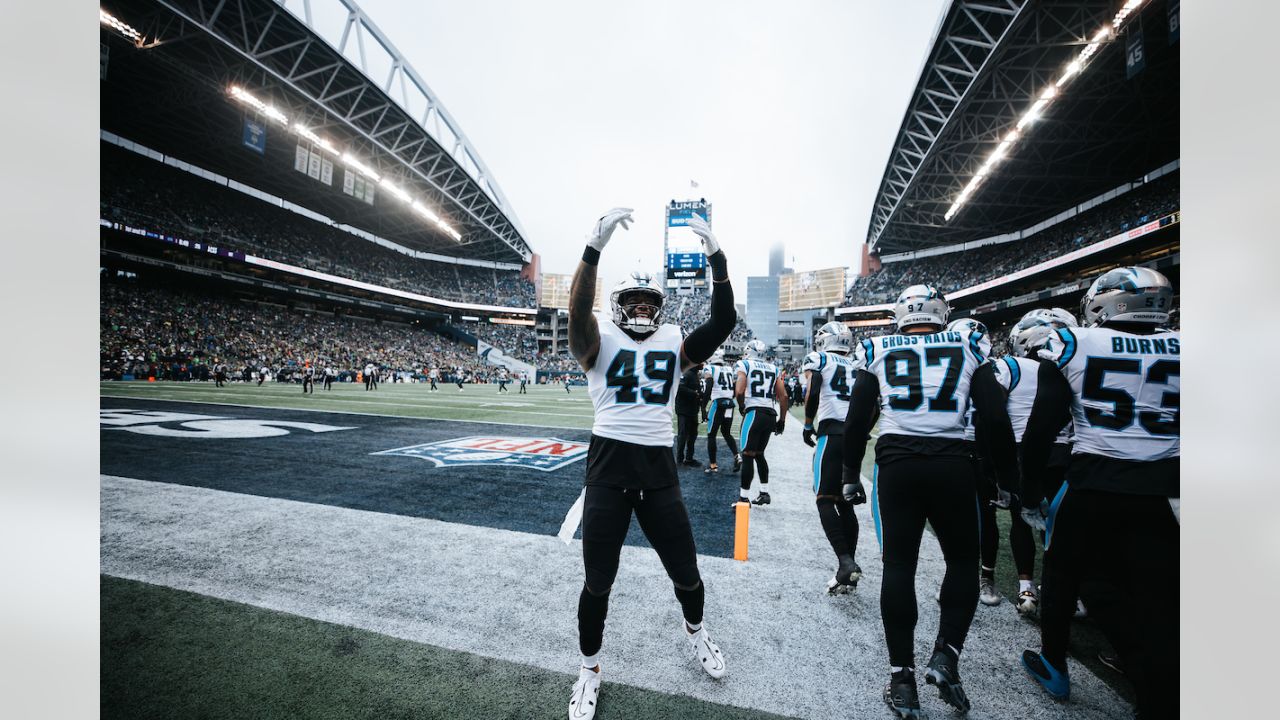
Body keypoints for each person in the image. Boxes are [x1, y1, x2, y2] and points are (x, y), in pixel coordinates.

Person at [565, 208, 736, 720]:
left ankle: (697, 633)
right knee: (598, 579)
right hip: (609, 468)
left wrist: (717, 257)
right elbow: (576, 316)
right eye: (633, 301)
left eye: (648, 301)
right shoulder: (598, 342)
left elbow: (724, 321)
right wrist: (592, 250)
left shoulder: (674, 342)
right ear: (617, 305)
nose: (641, 309)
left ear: (659, 307)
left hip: (658, 472)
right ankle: (589, 670)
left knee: (687, 572)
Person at [841, 284, 1018, 718]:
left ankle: (902, 678)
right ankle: (947, 654)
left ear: (901, 313)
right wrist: (1005, 478)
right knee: (963, 561)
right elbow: (994, 416)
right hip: (952, 462)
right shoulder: (968, 342)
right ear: (942, 312)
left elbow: (858, 418)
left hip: (898, 462)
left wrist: (848, 475)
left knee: (899, 565)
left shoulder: (877, 346)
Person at [1018, 268, 1179, 718]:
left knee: (1068, 573)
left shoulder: (1072, 343)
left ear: (1105, 302)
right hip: (1167, 490)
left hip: (1094, 483)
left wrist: (1029, 492)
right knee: (1159, 597)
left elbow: (1041, 430)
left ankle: (1054, 664)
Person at [800, 321, 864, 594]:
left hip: (832, 433)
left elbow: (813, 391)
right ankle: (848, 568)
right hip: (854, 436)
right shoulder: (859, 363)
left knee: (824, 499)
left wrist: (807, 423)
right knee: (845, 502)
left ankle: (845, 562)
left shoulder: (819, 358)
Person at [733, 339, 788, 506]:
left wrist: (742, 405)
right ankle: (764, 493)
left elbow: (740, 390)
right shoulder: (774, 368)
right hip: (770, 414)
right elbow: (784, 396)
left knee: (748, 454)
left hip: (754, 412)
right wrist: (782, 420)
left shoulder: (744, 364)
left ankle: (743, 498)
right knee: (759, 454)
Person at [701, 348, 742, 475]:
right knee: (726, 432)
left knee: (711, 434)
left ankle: (713, 466)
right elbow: (735, 387)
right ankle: (737, 456)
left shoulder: (710, 368)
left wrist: (703, 406)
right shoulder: (729, 369)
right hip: (729, 403)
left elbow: (709, 385)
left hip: (718, 403)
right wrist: (729, 397)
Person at [674, 363, 703, 467]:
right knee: (683, 435)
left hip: (693, 410)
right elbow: (679, 387)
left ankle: (689, 458)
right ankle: (680, 460)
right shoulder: (687, 373)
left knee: (693, 435)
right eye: (701, 362)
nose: (703, 364)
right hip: (684, 410)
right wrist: (694, 393)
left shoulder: (695, 374)